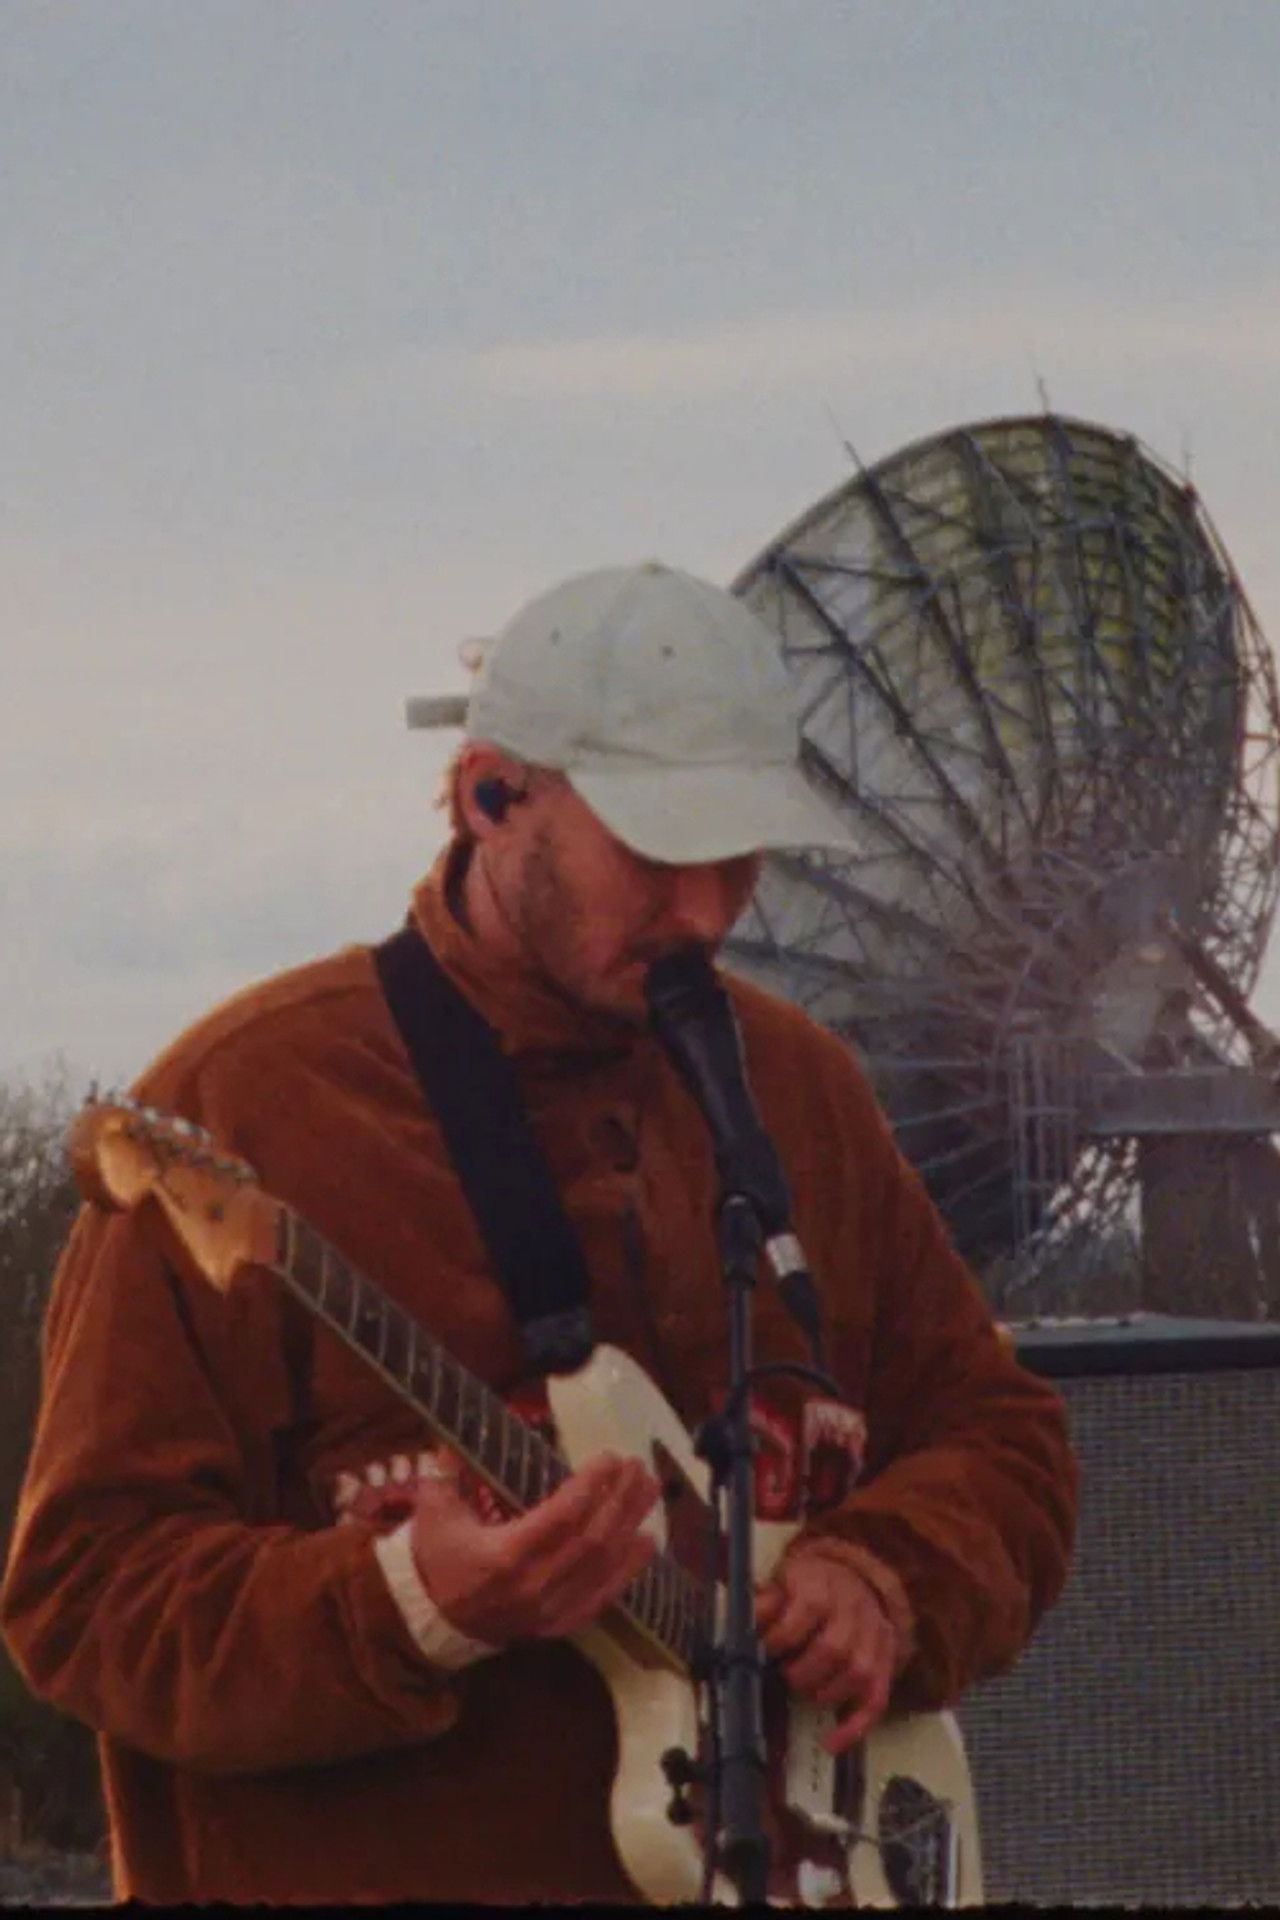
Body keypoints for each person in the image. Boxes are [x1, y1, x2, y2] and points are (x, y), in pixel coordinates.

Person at [2, 560, 1077, 1904]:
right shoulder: (247, 1101)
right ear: (490, 796)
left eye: (740, 857)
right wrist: (408, 1606)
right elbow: (85, 1596)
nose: (707, 912)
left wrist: (888, 1575)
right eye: (658, 855)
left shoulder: (800, 1090)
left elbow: (1008, 1443)